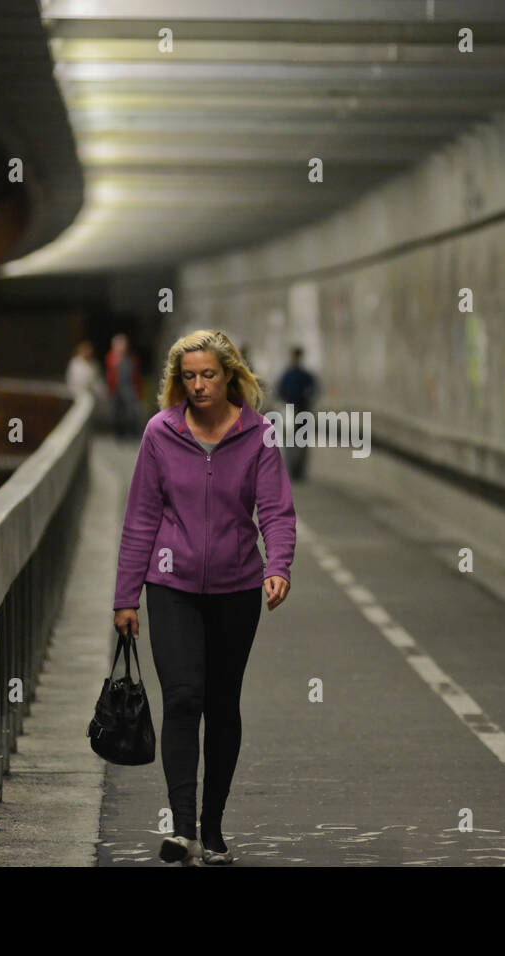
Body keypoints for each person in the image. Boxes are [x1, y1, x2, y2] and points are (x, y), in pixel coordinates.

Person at [112, 328, 295, 866]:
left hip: (238, 586)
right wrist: (126, 596)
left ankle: (213, 827)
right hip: (170, 586)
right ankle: (182, 828)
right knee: (184, 697)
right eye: (188, 377)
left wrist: (277, 566)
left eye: (208, 375)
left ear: (229, 376)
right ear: (177, 381)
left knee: (222, 704)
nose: (198, 385)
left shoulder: (257, 436)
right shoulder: (159, 434)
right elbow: (141, 516)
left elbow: (277, 510)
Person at [274, 346, 319, 481]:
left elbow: (314, 390)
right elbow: (279, 391)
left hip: (302, 409)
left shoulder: (303, 375)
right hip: (291, 409)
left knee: (301, 440)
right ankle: (293, 469)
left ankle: (299, 470)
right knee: (292, 440)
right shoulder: (289, 375)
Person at [104, 333, 142, 439]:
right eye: (119, 344)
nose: (121, 347)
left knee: (131, 411)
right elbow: (109, 374)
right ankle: (118, 433)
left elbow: (136, 375)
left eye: (123, 344)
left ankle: (131, 432)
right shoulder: (111, 357)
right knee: (116, 412)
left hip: (129, 387)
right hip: (116, 388)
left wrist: (138, 389)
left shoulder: (131, 358)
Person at [65, 340, 107, 429]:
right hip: (77, 394)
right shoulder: (75, 363)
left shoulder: (94, 364)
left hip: (92, 395)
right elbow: (72, 379)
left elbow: (97, 380)